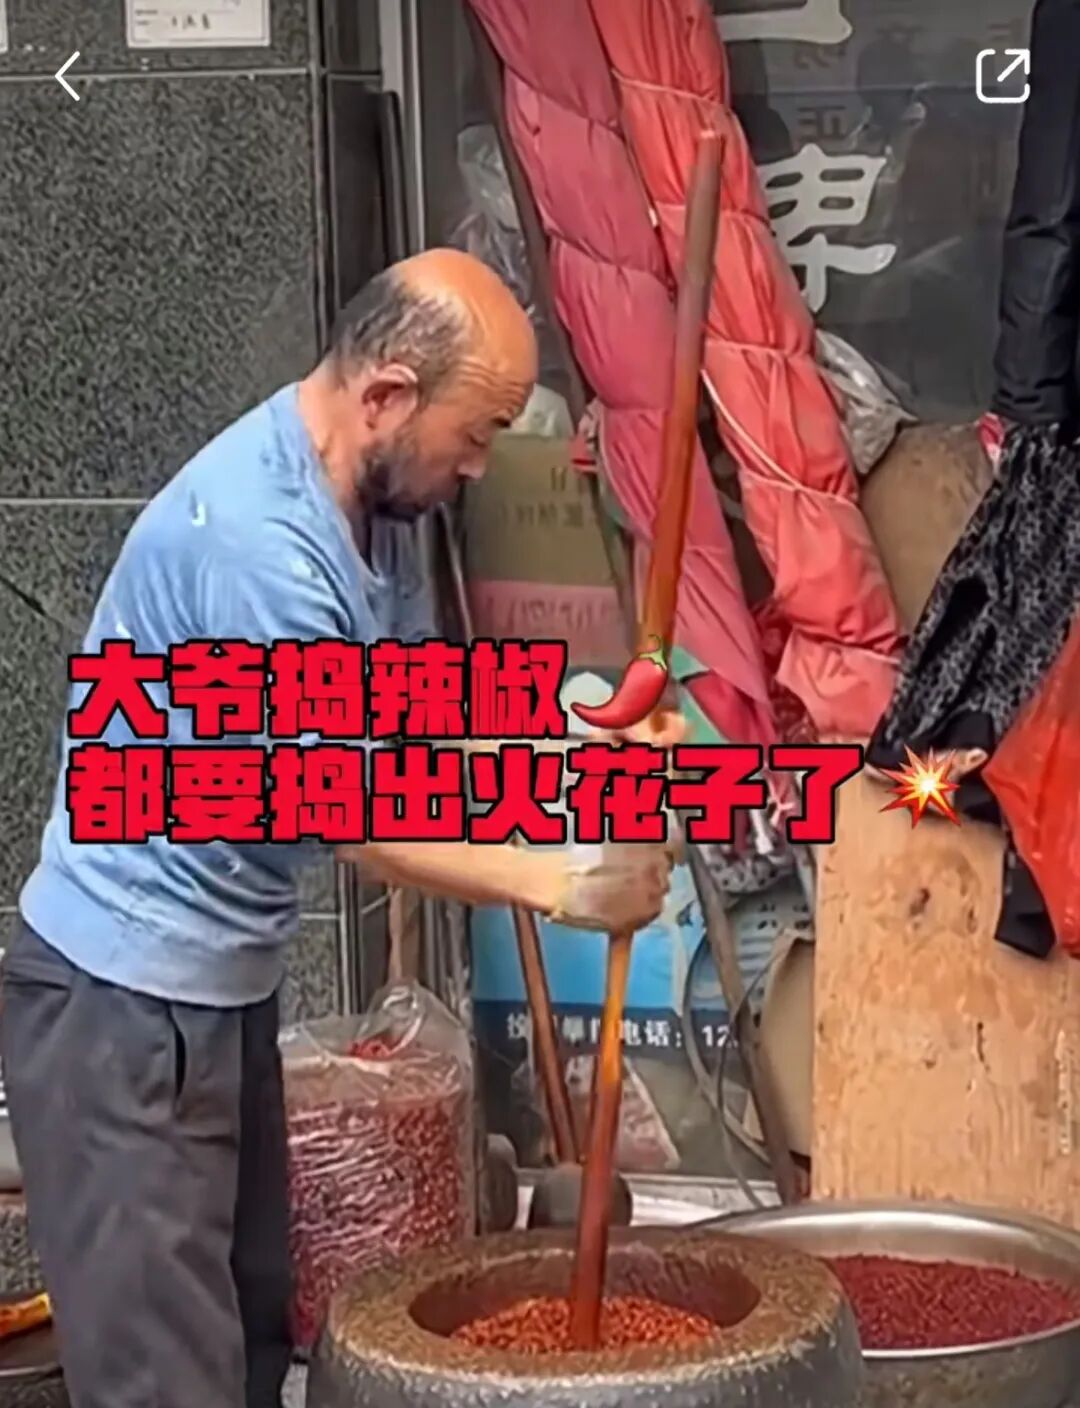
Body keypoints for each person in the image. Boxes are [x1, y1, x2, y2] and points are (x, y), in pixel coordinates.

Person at [1, 249, 679, 1408]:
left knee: (253, 1340)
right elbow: (339, 804)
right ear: (389, 395)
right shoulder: (256, 545)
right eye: (477, 434)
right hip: (121, 1014)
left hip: (217, 995)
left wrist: (579, 748)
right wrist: (561, 878)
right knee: (168, 1382)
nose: (480, 466)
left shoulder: (378, 504)